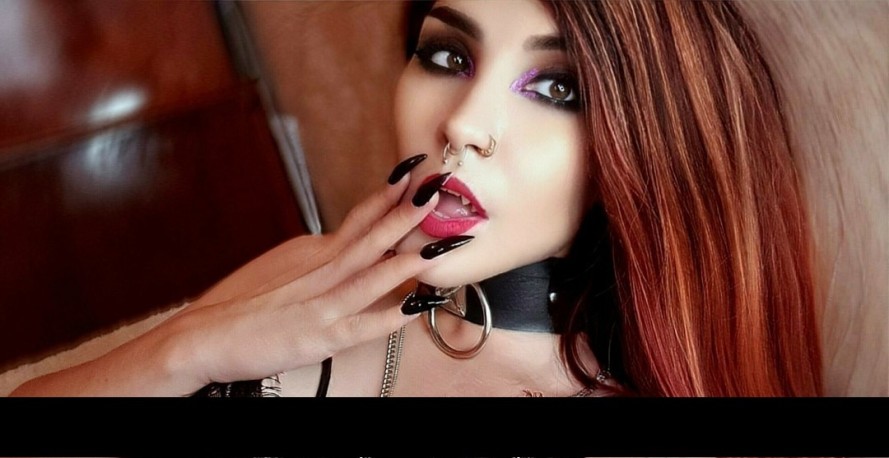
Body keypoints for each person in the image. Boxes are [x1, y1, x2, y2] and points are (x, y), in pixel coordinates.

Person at [11, 0, 823, 397]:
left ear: (650, 152)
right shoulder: (306, 274)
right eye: (445, 57)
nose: (462, 123)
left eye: (555, 88)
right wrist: (185, 349)